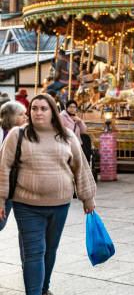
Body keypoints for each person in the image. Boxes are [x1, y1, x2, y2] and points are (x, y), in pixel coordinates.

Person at [0, 93, 96, 295]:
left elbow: (81, 168)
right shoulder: (17, 135)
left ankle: (44, 288)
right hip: (26, 205)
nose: (38, 112)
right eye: (34, 108)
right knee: (35, 253)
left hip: (59, 205)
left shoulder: (67, 136)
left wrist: (87, 197)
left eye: (43, 108)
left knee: (50, 250)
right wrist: (1, 200)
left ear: (52, 111)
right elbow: (4, 168)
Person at [0, 101, 27, 232]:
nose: (25, 117)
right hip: (5, 184)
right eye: (21, 114)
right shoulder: (6, 134)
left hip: (13, 186)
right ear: (12, 117)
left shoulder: (21, 133)